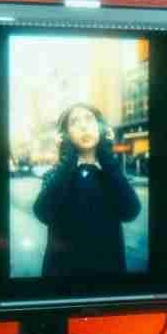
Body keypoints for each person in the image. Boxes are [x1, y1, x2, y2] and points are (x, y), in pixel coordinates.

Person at [32, 103, 141, 277]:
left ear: (101, 128)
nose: (83, 126)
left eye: (89, 119)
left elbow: (131, 211)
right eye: (74, 122)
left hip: (108, 279)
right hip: (63, 279)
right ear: (64, 136)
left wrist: (106, 155)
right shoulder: (56, 174)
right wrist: (68, 160)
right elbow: (42, 212)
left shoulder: (111, 171)